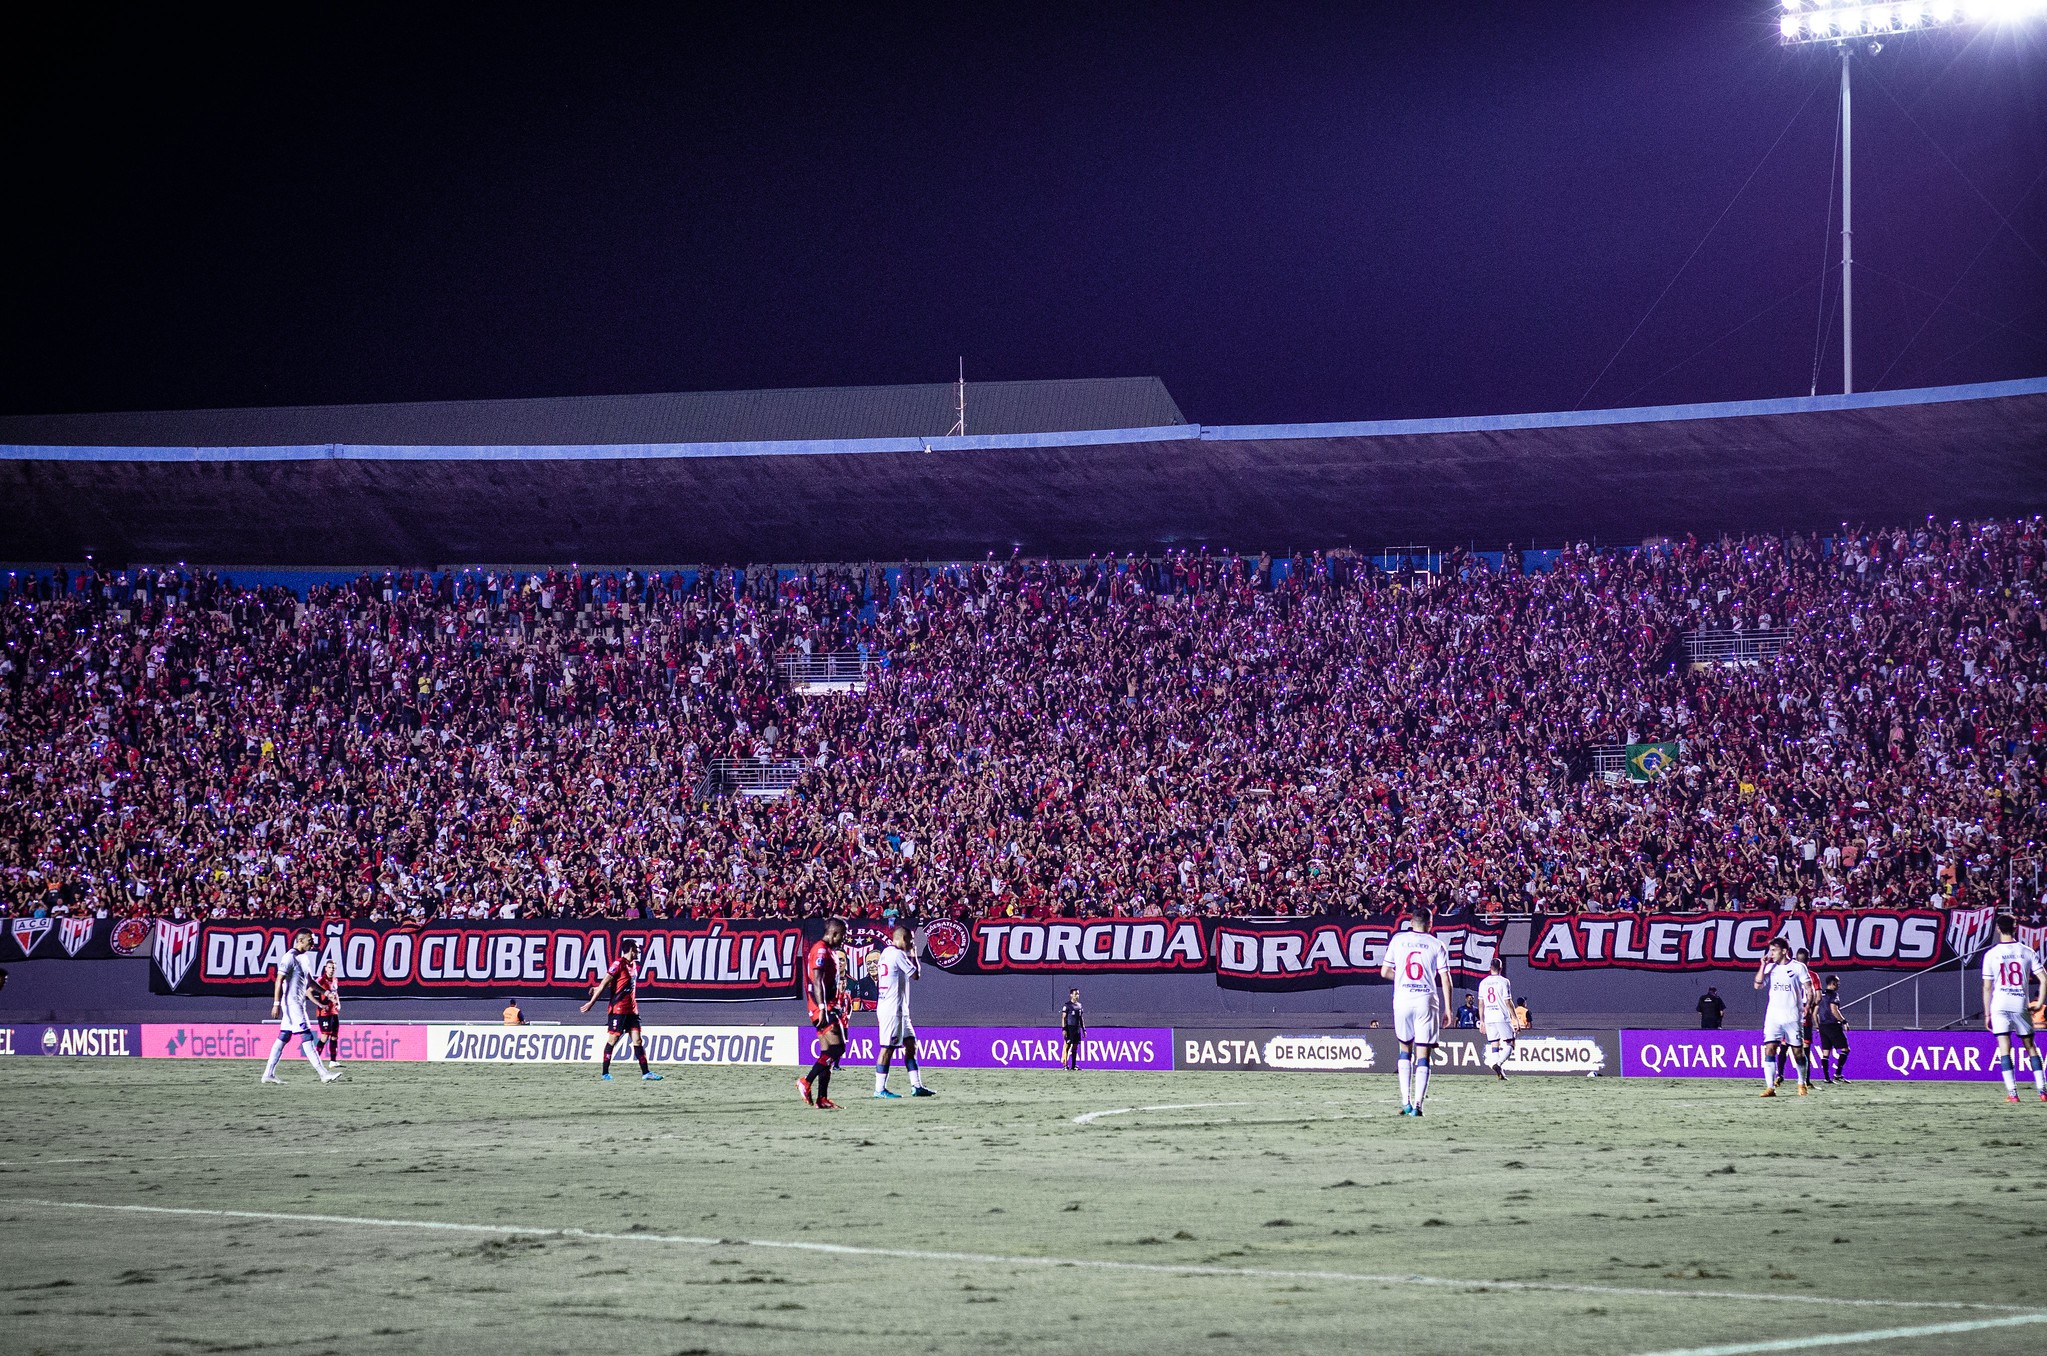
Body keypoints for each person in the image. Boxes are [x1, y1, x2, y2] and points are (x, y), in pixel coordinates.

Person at [1380, 906, 1452, 1117]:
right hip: (1425, 1001)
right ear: (1431, 924)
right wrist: (1448, 1009)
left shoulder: (1398, 940)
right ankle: (1418, 1106)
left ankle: (1405, 1102)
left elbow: (1384, 972)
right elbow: (1445, 979)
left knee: (1404, 1050)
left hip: (1402, 1000)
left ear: (1410, 923)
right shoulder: (1437, 944)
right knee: (1423, 1055)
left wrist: (1402, 978)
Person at [1981, 914, 2047, 1104]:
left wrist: (1987, 1013)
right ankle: (2042, 1092)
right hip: (2019, 1003)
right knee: (2030, 1047)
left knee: (2004, 1048)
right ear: (2015, 927)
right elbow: (2044, 979)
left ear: (1998, 929)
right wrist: (2040, 1002)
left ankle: (2013, 1094)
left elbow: (1987, 987)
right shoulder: (2026, 951)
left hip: (1999, 1004)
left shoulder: (1991, 954)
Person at [262, 930, 340, 1085]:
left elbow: (309, 981)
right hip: (292, 1004)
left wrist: (325, 992)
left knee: (284, 1036)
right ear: (300, 940)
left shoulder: (304, 958)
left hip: (297, 1003)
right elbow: (278, 980)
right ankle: (323, 1074)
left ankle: (268, 1074)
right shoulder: (289, 957)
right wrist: (276, 1004)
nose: (313, 943)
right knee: (307, 1036)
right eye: (310, 940)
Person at [580, 938, 660, 1082]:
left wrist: (597, 989)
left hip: (632, 1009)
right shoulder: (618, 964)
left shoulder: (633, 965)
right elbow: (605, 983)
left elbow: (619, 984)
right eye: (637, 948)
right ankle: (605, 1072)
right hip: (618, 1009)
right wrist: (591, 1003)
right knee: (613, 1039)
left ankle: (646, 1073)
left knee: (638, 1040)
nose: (640, 951)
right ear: (630, 949)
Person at [871, 924, 932, 1098]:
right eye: (911, 941)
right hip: (892, 1010)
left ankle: (916, 1086)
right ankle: (879, 1089)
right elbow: (916, 975)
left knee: (911, 1045)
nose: (912, 944)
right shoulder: (897, 954)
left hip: (899, 1009)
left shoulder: (886, 952)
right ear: (903, 939)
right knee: (887, 1049)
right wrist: (913, 954)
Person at [1753, 937, 1813, 1097]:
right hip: (1773, 1016)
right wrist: (1762, 965)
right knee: (1769, 1049)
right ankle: (1770, 1087)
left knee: (1797, 1052)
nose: (1771, 953)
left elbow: (1809, 988)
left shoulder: (1798, 967)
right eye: (1770, 950)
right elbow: (1757, 985)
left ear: (1784, 951)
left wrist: (1808, 1006)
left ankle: (1802, 1083)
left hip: (1792, 1016)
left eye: (1774, 950)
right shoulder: (1770, 967)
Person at [798, 918, 848, 1109]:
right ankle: (806, 1081)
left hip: (828, 1006)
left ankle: (822, 1098)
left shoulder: (830, 951)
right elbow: (816, 981)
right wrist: (821, 1007)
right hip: (822, 1008)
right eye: (842, 935)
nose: (843, 939)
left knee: (827, 1053)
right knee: (838, 1049)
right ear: (834, 933)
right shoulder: (820, 949)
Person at [1477, 957, 1517, 1079]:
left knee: (1495, 1044)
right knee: (1511, 1043)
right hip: (1501, 1016)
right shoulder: (1504, 981)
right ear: (1501, 968)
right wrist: (1514, 1018)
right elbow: (1508, 1001)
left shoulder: (1483, 983)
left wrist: (1482, 1020)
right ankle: (1498, 1063)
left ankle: (1500, 1073)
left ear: (1490, 968)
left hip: (1489, 1017)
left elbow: (1480, 1003)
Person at [1814, 976, 1850, 1083]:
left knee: (1826, 1052)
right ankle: (1838, 1074)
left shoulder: (1820, 994)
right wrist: (1844, 1021)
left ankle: (1826, 1078)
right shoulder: (1833, 995)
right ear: (1833, 983)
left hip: (1823, 1026)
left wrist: (1817, 1026)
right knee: (1845, 1049)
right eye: (1838, 983)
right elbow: (1834, 1010)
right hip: (1833, 1025)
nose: (1839, 985)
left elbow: (1814, 1013)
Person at [311, 960, 343, 1066]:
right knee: (325, 1036)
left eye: (333, 968)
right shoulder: (321, 980)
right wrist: (320, 1005)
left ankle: (333, 1061)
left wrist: (338, 1003)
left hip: (333, 1011)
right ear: (325, 968)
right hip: (324, 1012)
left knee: (334, 1036)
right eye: (329, 967)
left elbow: (335, 992)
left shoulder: (335, 980)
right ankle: (315, 1059)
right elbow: (308, 992)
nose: (331, 970)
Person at [1061, 987, 1086, 1070]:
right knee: (1067, 1046)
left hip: (1077, 1028)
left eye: (1078, 994)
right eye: (1075, 994)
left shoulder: (1079, 1005)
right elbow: (1064, 1018)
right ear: (1071, 995)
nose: (1077, 996)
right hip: (1069, 1028)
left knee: (1075, 1046)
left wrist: (1083, 1029)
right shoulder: (1067, 1005)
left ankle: (1073, 1065)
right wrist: (1064, 1029)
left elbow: (1081, 1018)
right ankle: (1065, 1065)